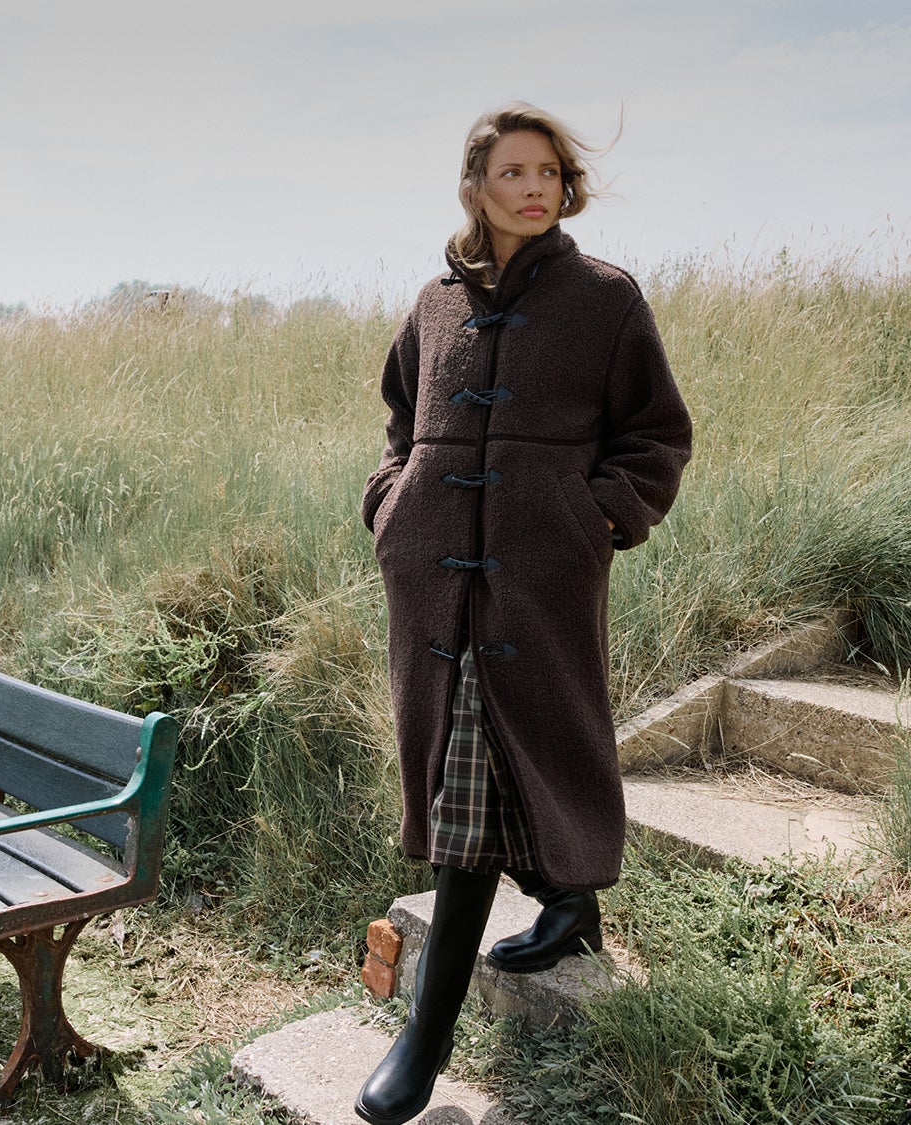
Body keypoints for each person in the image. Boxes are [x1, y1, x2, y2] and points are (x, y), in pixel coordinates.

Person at [354, 102, 694, 1125]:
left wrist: (598, 519)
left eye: (548, 171)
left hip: (541, 579)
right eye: (513, 171)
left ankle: (425, 1035)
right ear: (475, 186)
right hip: (431, 584)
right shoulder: (432, 306)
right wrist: (391, 504)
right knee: (478, 773)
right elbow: (398, 423)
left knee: (495, 778)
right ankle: (569, 905)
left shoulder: (604, 300)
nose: (535, 187)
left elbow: (656, 435)